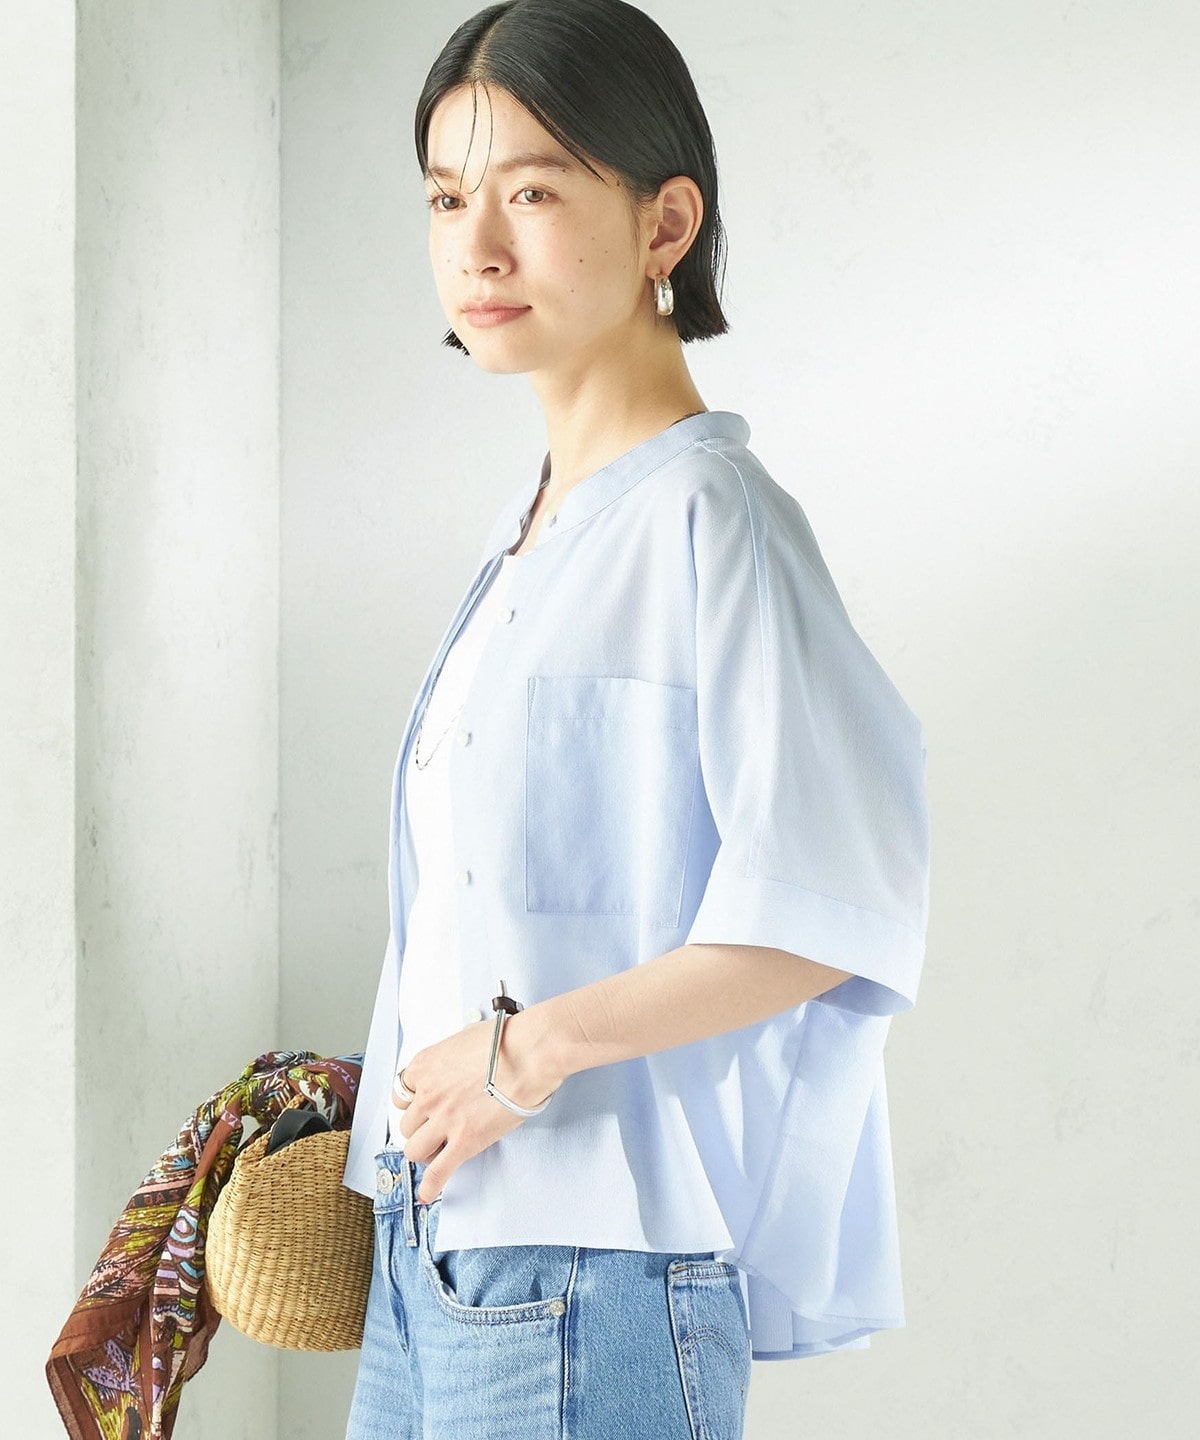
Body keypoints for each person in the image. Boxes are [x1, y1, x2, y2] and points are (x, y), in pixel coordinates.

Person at [342, 2, 930, 1436]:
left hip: (592, 1272)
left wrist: (525, 1053)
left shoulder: (714, 522)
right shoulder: (534, 534)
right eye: (447, 199)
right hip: (436, 1253)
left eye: (533, 193)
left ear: (666, 224)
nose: (478, 248)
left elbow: (831, 907)